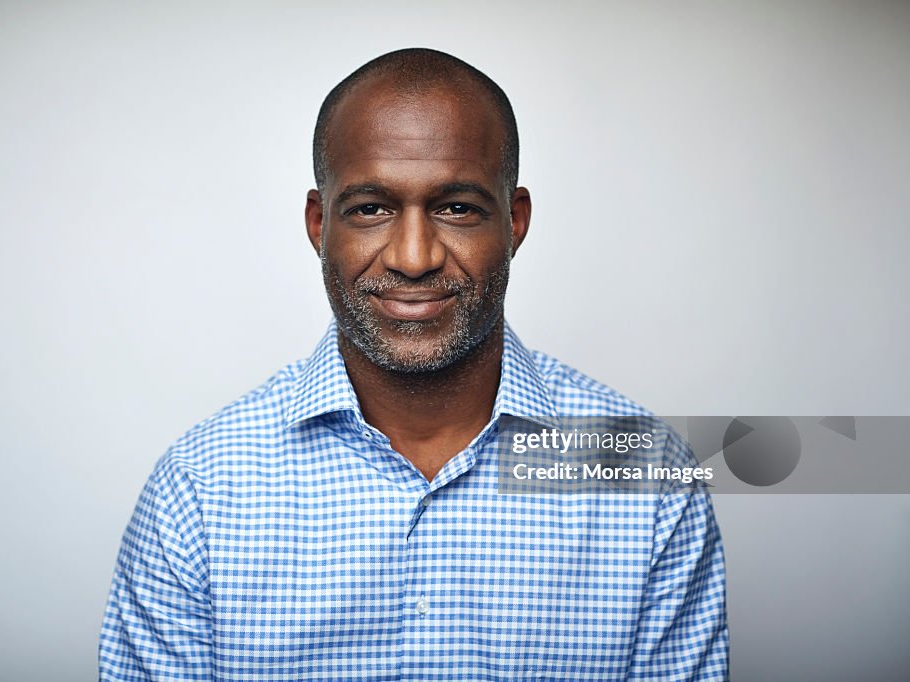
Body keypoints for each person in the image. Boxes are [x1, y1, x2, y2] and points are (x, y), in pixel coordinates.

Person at [99, 48, 729, 680]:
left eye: (456, 207)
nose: (414, 256)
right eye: (371, 208)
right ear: (320, 224)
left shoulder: (648, 478)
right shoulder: (201, 490)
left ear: (514, 222)